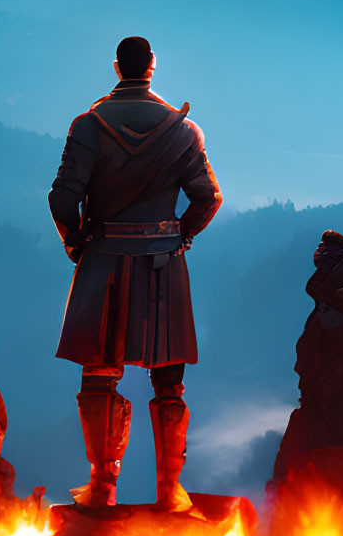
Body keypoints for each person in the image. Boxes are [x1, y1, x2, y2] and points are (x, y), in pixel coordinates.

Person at [49, 36, 222, 510]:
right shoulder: (184, 132)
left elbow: (63, 198)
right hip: (164, 266)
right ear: (151, 67)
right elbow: (208, 198)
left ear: (116, 66)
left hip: (103, 260)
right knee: (169, 380)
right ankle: (171, 490)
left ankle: (102, 487)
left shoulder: (88, 126)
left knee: (100, 375)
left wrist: (75, 241)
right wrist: (179, 235)